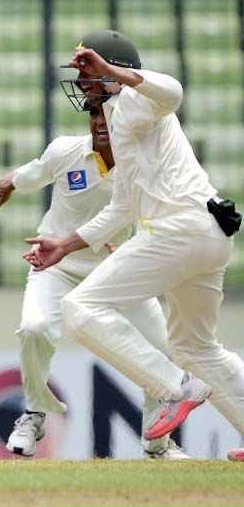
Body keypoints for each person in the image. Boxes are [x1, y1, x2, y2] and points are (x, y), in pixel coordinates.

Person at [23, 30, 244, 450]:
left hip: (179, 230)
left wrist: (113, 74)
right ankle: (183, 381)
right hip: (206, 233)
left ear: (114, 70)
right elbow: (122, 207)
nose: (83, 82)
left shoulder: (135, 101)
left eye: (89, 72)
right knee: (195, 347)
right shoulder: (118, 117)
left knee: (80, 308)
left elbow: (174, 93)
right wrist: (64, 245)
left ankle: (173, 387)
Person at [0, 104, 187, 459]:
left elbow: (159, 214)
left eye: (107, 115)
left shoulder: (141, 164)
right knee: (34, 327)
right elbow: (34, 173)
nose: (100, 122)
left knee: (161, 348)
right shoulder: (66, 150)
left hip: (117, 271)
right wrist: (10, 181)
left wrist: (137, 244)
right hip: (56, 264)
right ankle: (34, 414)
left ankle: (157, 445)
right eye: (93, 114)